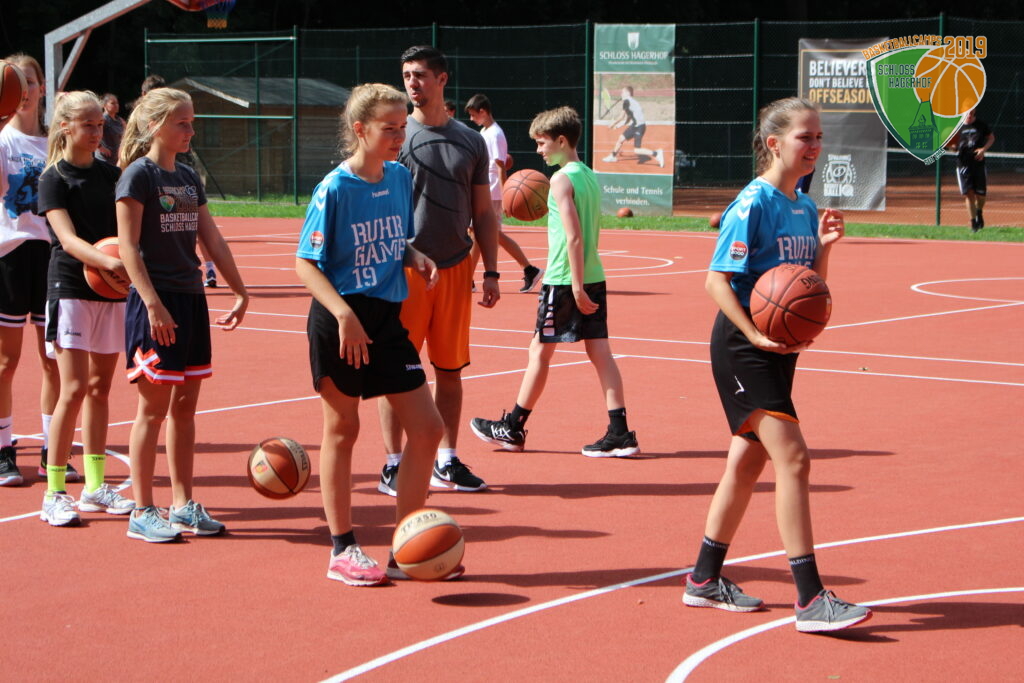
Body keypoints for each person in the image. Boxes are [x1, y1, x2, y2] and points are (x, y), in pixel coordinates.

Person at [682, 97, 871, 633]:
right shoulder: (753, 203)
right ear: (773, 143)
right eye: (804, 137)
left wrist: (825, 248)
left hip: (776, 347)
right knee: (794, 459)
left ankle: (703, 579)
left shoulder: (805, 207)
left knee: (747, 464)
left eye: (818, 137)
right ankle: (810, 598)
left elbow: (804, 286)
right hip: (744, 346)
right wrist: (754, 334)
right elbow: (715, 280)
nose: (814, 146)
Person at [296, 83, 448, 585]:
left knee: (427, 428)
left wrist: (413, 254)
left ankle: (405, 546)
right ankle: (342, 549)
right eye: (389, 129)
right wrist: (343, 315)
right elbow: (305, 263)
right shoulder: (335, 188)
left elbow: (394, 239)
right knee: (343, 429)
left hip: (385, 317)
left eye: (403, 127)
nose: (399, 137)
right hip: (341, 318)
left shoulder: (400, 177)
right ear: (360, 129)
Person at [116, 87, 248, 542]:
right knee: (151, 411)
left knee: (186, 408)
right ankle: (142, 509)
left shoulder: (188, 177)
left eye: (192, 122)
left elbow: (212, 239)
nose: (191, 130)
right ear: (155, 126)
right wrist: (152, 303)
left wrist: (240, 290)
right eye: (182, 123)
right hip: (156, 302)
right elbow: (128, 247)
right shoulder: (139, 176)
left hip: (191, 299)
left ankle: (182, 504)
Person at [470, 106, 639, 458]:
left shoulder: (561, 180)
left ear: (562, 140)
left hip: (565, 279)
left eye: (542, 142)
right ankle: (620, 432)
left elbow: (574, 237)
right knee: (600, 352)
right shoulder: (588, 175)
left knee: (539, 351)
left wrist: (574, 286)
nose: (538, 150)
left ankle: (513, 427)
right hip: (594, 275)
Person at [375, 46, 501, 498]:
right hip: (403, 271)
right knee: (396, 371)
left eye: (421, 75)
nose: (413, 82)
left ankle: (446, 460)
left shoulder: (470, 141)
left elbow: (483, 213)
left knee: (450, 370)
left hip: (454, 269)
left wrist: (492, 271)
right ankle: (393, 464)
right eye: (407, 75)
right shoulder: (394, 138)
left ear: (442, 79)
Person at [36, 91, 134, 525]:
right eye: (89, 125)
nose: (98, 132)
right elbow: (67, 239)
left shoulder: (111, 175)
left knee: (100, 388)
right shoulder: (53, 178)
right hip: (71, 286)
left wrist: (128, 262)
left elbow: (126, 230)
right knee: (73, 388)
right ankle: (54, 491)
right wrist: (110, 262)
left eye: (100, 125)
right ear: (66, 127)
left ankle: (95, 487)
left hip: (109, 290)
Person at [0, 53, 63, 487]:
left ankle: (50, 450)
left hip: (51, 256)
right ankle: (4, 449)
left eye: (30, 81)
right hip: (9, 254)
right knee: (6, 361)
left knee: (53, 358)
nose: (24, 90)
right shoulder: (3, 141)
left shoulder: (56, 143)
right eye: (15, 82)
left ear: (42, 88)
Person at [465, 93, 544, 294]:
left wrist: (506, 196)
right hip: (485, 190)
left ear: (483, 111)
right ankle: (529, 270)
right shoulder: (485, 131)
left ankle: (468, 279)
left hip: (492, 192)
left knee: (483, 233)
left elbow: (501, 168)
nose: (471, 119)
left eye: (474, 114)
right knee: (481, 233)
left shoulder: (496, 134)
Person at [948, 109, 995, 232]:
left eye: (971, 112)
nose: (969, 115)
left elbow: (991, 138)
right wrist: (949, 145)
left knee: (981, 194)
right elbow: (953, 147)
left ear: (974, 112)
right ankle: (973, 223)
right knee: (969, 193)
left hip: (978, 164)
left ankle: (979, 212)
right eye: (967, 112)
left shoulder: (981, 125)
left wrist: (983, 149)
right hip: (963, 164)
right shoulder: (957, 127)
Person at [603, 86, 664, 168]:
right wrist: (617, 126)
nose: (621, 94)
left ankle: (657, 153)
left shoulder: (626, 101)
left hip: (639, 127)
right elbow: (628, 119)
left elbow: (621, 117)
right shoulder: (631, 102)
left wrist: (612, 124)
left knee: (636, 150)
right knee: (620, 139)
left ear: (628, 93)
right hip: (635, 125)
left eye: (622, 92)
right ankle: (612, 156)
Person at [95, 93, 125, 163]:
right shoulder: (103, 119)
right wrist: (100, 147)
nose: (116, 105)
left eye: (117, 103)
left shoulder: (120, 120)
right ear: (104, 105)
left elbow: (127, 134)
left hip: (116, 158)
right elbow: (94, 132)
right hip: (104, 159)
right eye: (112, 103)